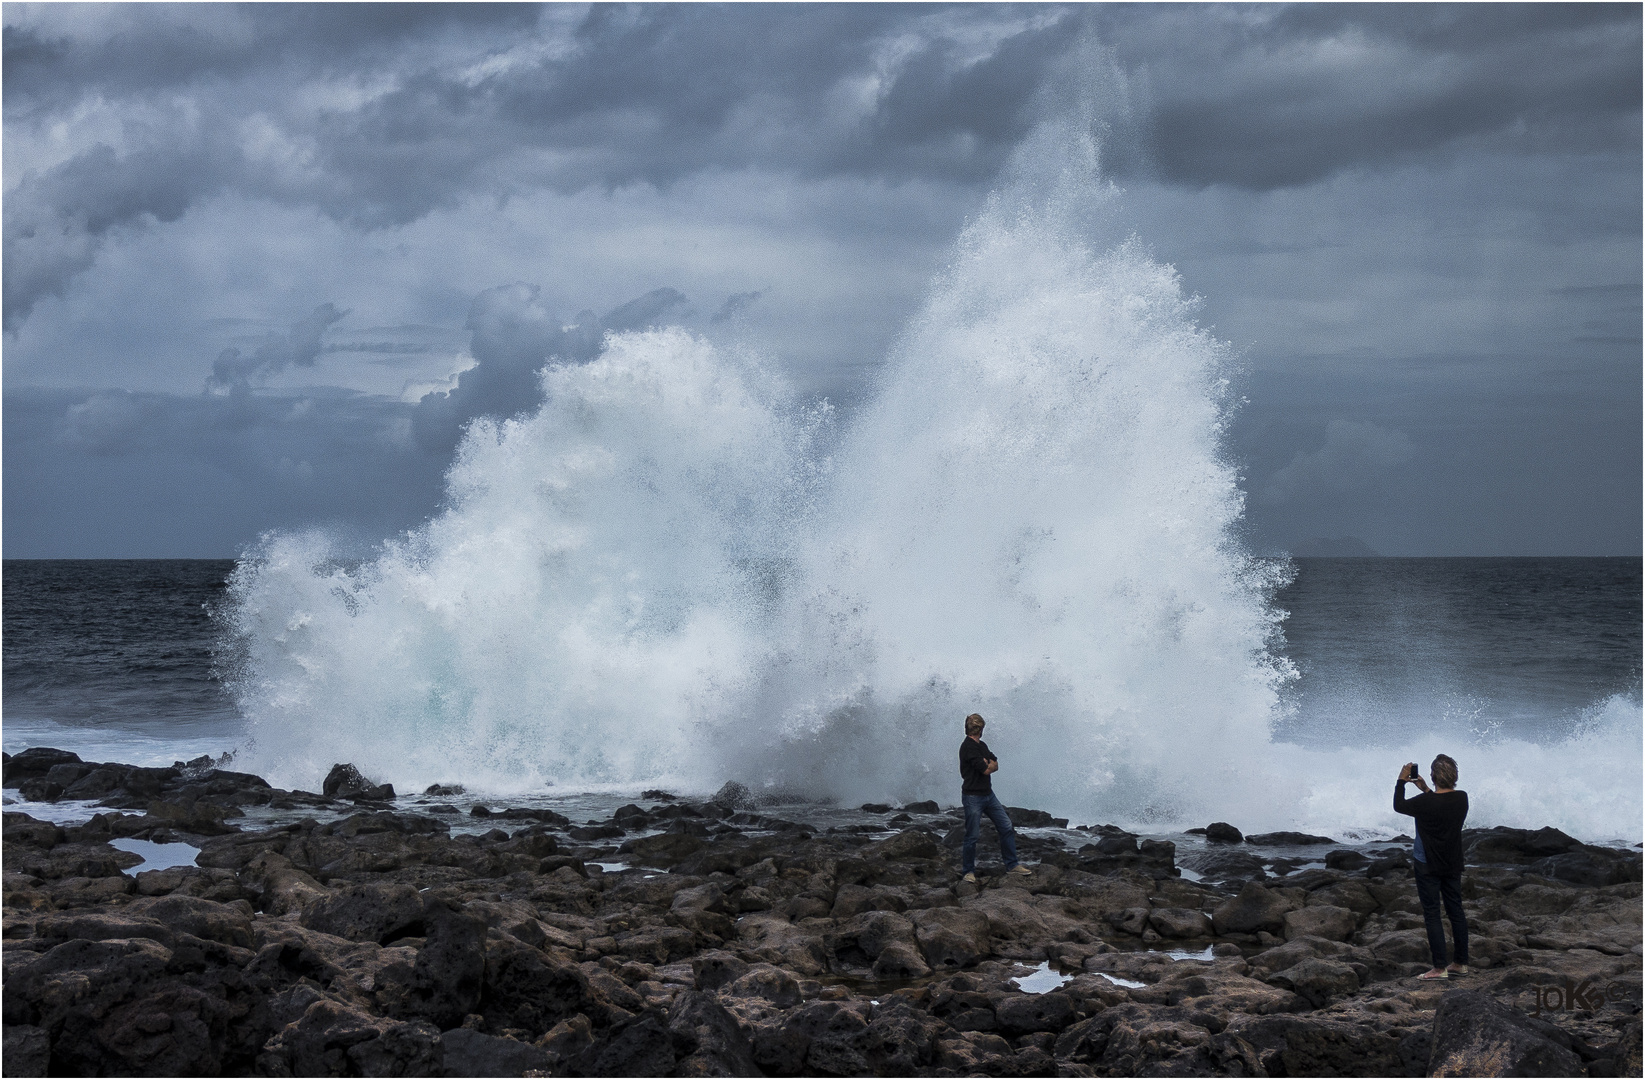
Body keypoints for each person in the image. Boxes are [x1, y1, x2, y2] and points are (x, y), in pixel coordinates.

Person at [1395, 754, 1469, 980]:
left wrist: (1401, 781)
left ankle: (1439, 968)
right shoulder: (1462, 798)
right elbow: (1439, 804)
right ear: (1454, 777)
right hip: (1452, 862)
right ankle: (1460, 963)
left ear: (1433, 775)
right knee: (1456, 911)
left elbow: (1399, 806)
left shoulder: (1425, 803)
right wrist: (1426, 790)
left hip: (1427, 863)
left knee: (1433, 914)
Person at [959, 713, 1031, 883]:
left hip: (988, 795)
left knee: (1006, 826)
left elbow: (994, 764)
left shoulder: (981, 745)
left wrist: (988, 763)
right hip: (973, 797)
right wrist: (987, 764)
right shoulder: (968, 747)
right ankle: (968, 872)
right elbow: (985, 769)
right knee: (972, 835)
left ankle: (1012, 865)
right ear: (980, 729)